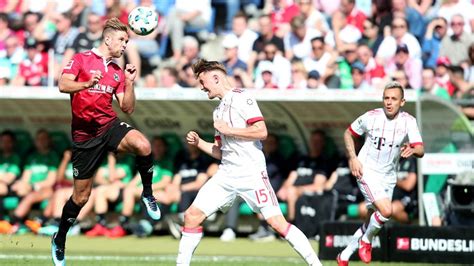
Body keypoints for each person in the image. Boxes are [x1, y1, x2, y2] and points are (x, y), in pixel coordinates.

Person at [176, 59, 322, 266]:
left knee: (277, 223)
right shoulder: (217, 111)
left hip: (251, 174)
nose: (201, 87)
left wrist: (230, 130)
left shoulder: (242, 97)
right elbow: (221, 152)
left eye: (202, 81)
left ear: (215, 78)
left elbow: (261, 132)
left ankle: (316, 264)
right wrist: (200, 143)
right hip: (226, 174)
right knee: (191, 215)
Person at [51, 18, 160, 266]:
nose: (125, 45)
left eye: (127, 41)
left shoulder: (117, 71)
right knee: (80, 198)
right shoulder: (81, 59)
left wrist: (130, 83)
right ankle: (60, 238)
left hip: (108, 126)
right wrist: (87, 83)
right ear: (108, 39)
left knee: (143, 145)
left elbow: (128, 108)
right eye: (122, 40)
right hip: (84, 136)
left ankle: (148, 193)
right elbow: (62, 84)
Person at [337, 81, 424, 266]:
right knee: (386, 211)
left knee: (372, 219)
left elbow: (421, 149)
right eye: (386, 98)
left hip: (389, 175)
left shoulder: (409, 121)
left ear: (402, 102)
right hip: (366, 170)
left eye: (394, 99)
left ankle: (344, 255)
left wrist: (413, 149)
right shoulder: (371, 117)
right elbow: (348, 133)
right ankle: (367, 241)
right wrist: (353, 158)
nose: (389, 102)